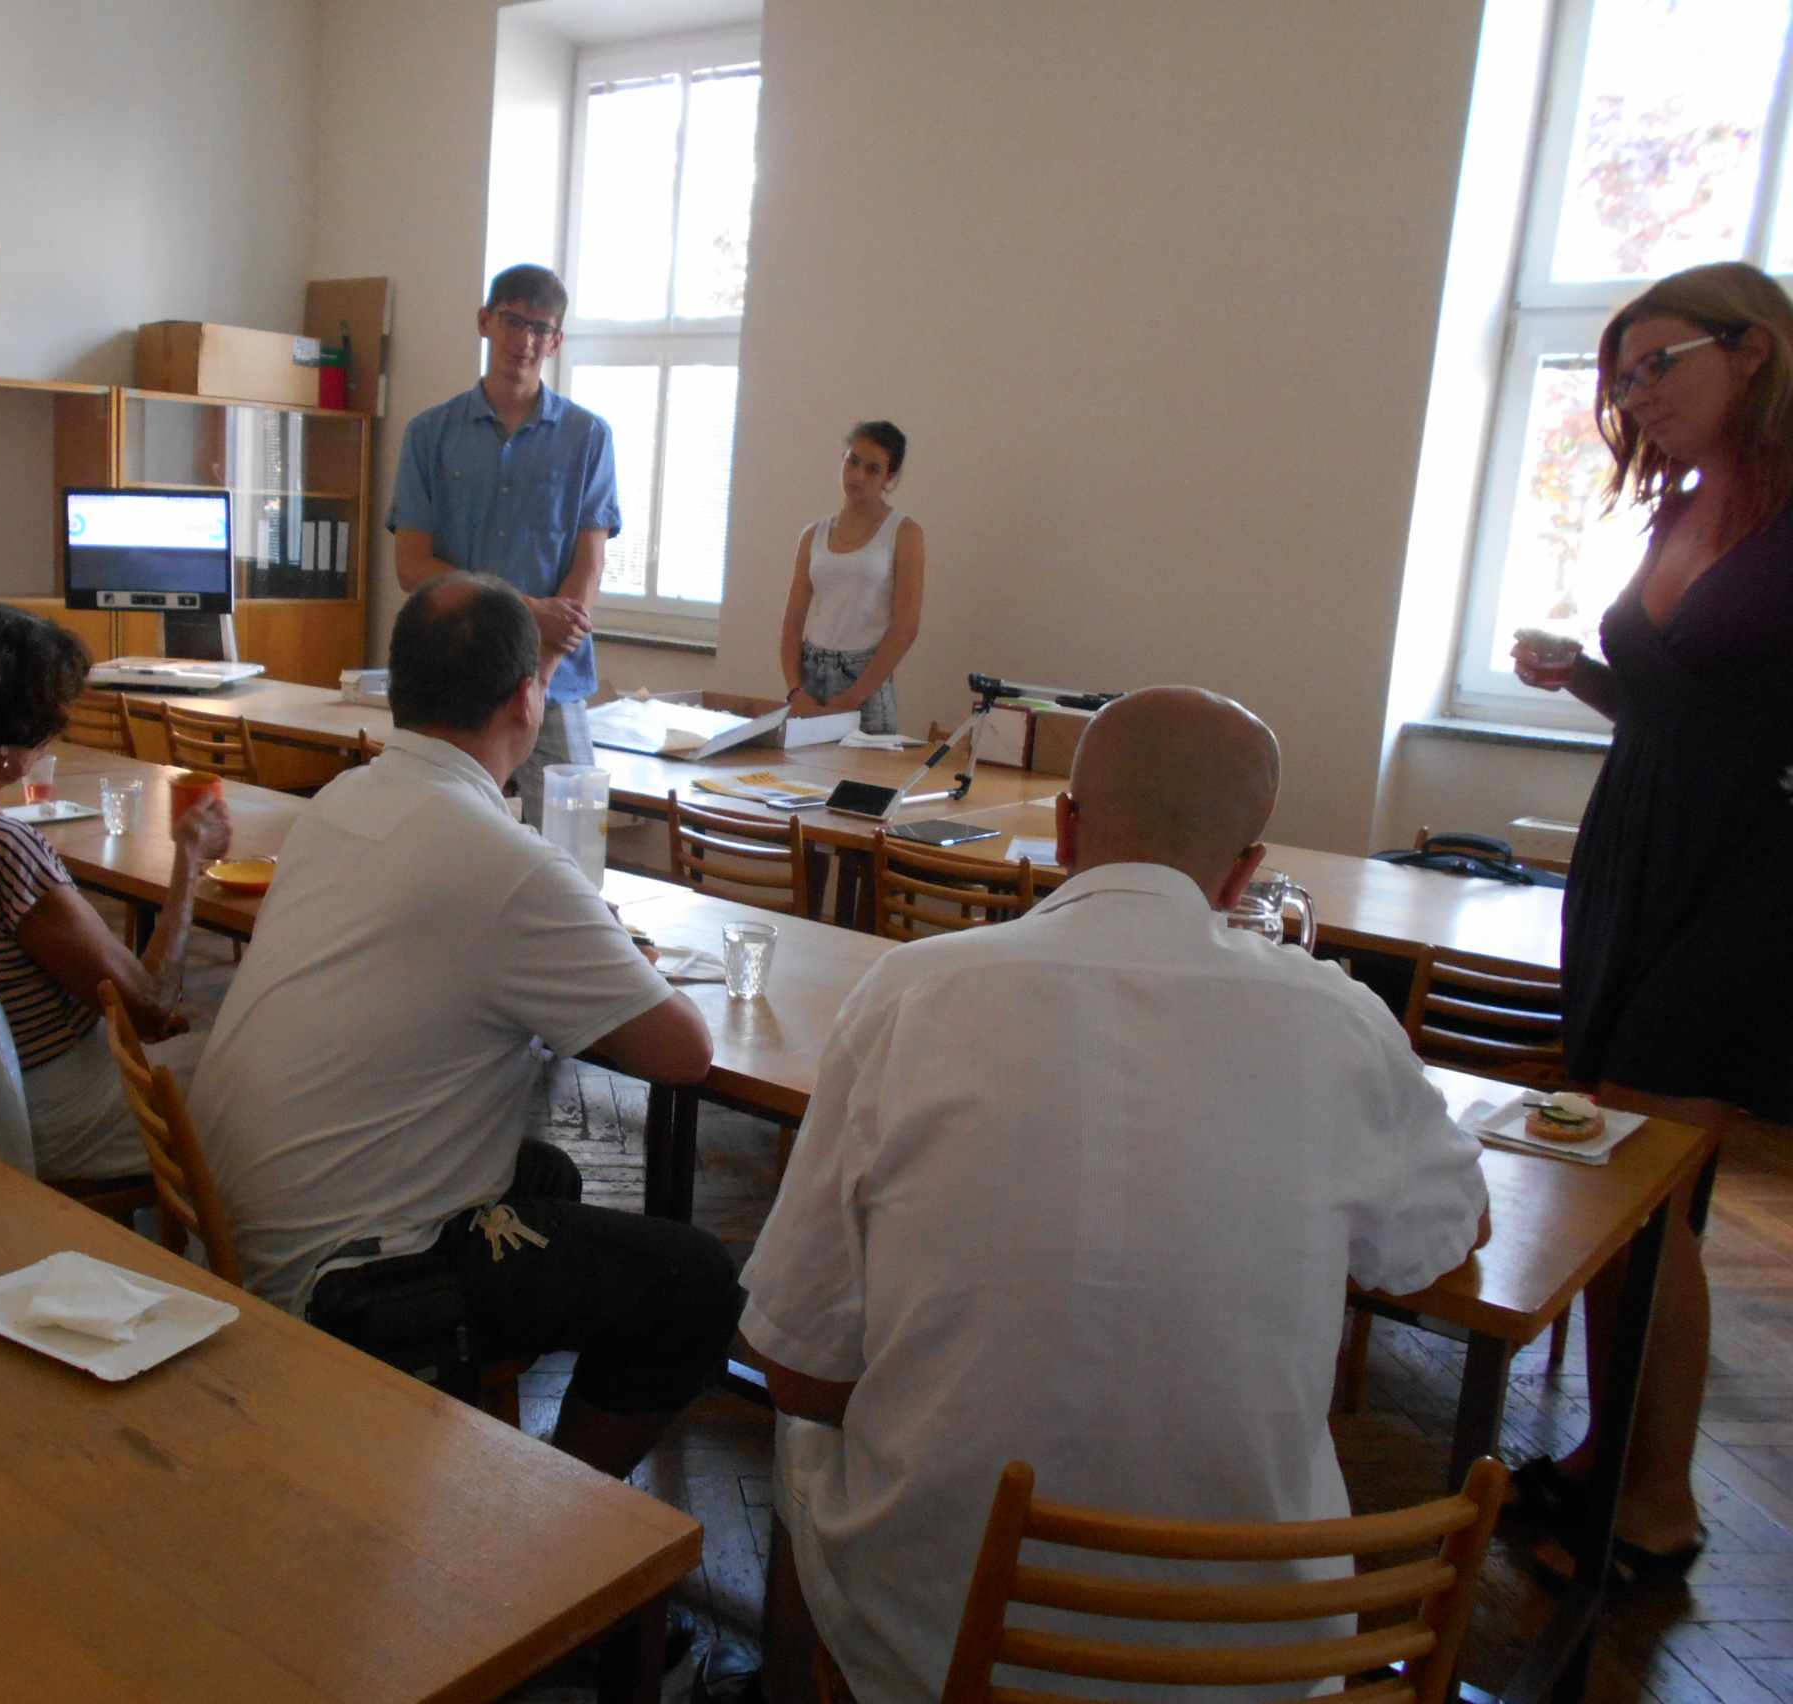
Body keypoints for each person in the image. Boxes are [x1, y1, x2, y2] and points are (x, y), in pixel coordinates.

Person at [739, 687, 1490, 1704]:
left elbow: (798, 1371)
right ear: (1244, 874)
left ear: (1065, 828)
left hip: (945, 1643)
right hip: (1258, 1656)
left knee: (803, 1435)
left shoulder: (912, 993)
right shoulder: (1341, 1019)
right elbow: (1446, 1233)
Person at [190, 573, 741, 1477]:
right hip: (345, 1276)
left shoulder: (340, 800)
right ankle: (565, 1522)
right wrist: (597, 943)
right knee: (695, 1281)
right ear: (527, 699)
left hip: (238, 1217)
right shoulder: (508, 864)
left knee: (549, 1175)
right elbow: (683, 1053)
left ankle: (467, 1442)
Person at [1506, 259, 1793, 1581]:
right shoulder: (1681, 506)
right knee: (1607, 1162)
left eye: (1657, 364)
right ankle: (1603, 1457)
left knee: (1637, 1173)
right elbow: (1684, 712)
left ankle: (1660, 1506)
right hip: (1636, 846)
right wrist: (1585, 676)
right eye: (1619, 378)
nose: (1634, 396)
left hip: (1751, 872)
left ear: (1752, 347)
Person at [0, 599, 233, 1181]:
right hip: (39, 1110)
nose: (49, 741)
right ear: (10, 730)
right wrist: (189, 857)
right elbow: (151, 1005)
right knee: (251, 1067)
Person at [389, 262, 621, 828]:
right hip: (450, 673)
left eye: (542, 329)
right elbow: (413, 566)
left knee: (575, 833)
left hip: (553, 678)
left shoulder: (588, 437)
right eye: (514, 321)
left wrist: (540, 673)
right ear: (485, 321)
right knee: (436, 828)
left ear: (557, 341)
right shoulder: (429, 434)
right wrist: (526, 613)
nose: (526, 340)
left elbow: (588, 569)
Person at [779, 422, 925, 736]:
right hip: (810, 673)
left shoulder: (904, 532)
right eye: (852, 461)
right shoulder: (814, 534)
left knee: (863, 768)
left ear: (890, 477)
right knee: (801, 767)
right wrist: (794, 689)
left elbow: (906, 626)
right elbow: (792, 621)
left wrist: (854, 696)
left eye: (873, 469)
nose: (857, 476)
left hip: (865, 678)